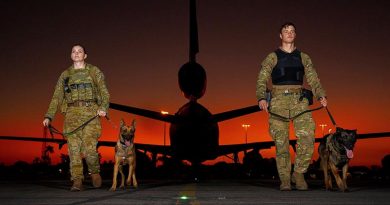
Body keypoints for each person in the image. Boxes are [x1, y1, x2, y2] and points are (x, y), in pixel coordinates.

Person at [256, 22, 327, 191]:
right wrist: (261, 98)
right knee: (281, 144)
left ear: (295, 35)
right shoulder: (272, 57)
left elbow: (313, 78)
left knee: (308, 136)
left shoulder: (304, 57)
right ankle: (285, 179)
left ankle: (299, 174)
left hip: (299, 100)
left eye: (292, 31)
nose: (289, 33)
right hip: (278, 101)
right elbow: (261, 78)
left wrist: (321, 95)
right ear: (280, 36)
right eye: (285, 31)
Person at [43, 44, 110, 191]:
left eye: (80, 51)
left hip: (91, 114)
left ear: (85, 55)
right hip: (72, 116)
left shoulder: (94, 71)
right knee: (73, 150)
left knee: (89, 149)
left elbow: (104, 93)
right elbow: (57, 97)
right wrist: (49, 116)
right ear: (71, 55)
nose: (77, 53)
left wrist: (103, 108)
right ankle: (77, 180)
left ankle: (94, 171)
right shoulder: (65, 75)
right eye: (74, 51)